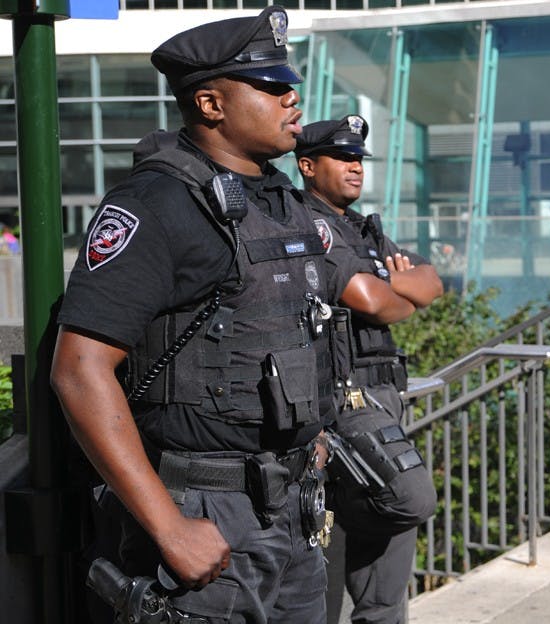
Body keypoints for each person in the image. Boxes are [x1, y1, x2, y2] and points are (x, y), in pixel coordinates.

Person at [49, 7, 362, 621]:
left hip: (292, 510)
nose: (292, 97)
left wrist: (314, 438)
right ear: (211, 104)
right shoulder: (155, 204)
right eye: (271, 87)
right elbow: (79, 370)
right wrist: (169, 527)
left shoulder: (280, 201)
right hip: (205, 516)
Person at [294, 115, 442, 624]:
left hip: (382, 401)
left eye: (359, 159)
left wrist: (397, 289)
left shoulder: (363, 228)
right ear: (307, 166)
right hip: (343, 403)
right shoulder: (308, 224)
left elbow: (431, 282)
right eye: (343, 158)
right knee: (406, 498)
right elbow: (378, 304)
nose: (355, 168)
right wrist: (394, 290)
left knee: (389, 577)